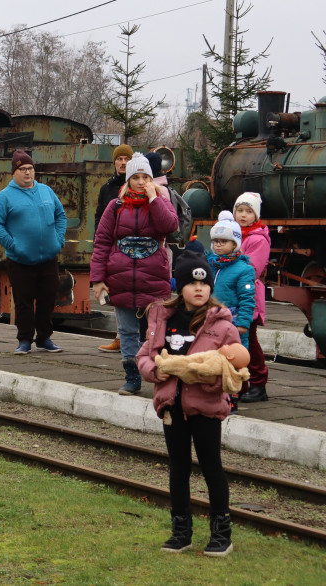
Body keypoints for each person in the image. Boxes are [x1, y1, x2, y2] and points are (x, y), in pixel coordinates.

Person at [137, 242, 239, 556]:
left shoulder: (223, 325)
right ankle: (181, 531)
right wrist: (157, 372)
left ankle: (221, 533)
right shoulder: (163, 319)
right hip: (171, 406)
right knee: (178, 468)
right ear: (180, 287)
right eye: (191, 283)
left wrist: (211, 374)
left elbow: (235, 369)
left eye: (204, 283)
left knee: (212, 467)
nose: (199, 288)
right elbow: (143, 356)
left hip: (205, 407)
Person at [91, 153, 178, 395]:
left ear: (152, 179)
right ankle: (132, 377)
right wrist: (98, 279)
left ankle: (157, 371)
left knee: (156, 330)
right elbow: (101, 242)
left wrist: (154, 199)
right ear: (128, 181)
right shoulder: (115, 207)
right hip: (121, 277)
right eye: (136, 177)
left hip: (153, 278)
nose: (141, 182)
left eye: (145, 177)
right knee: (127, 331)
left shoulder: (161, 200)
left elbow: (170, 226)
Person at [0, 150, 68, 354]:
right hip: (20, 260)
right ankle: (24, 340)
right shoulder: (5, 196)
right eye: (22, 169)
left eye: (30, 169)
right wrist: (13, 245)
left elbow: (61, 215)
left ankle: (44, 338)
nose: (27, 173)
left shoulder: (46, 191)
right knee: (23, 302)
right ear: (14, 172)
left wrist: (58, 240)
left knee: (47, 299)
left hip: (48, 258)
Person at [234, 192, 271, 403]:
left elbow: (252, 269)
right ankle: (241, 383)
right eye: (240, 210)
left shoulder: (258, 239)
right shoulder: (232, 234)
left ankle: (259, 383)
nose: (243, 215)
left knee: (251, 340)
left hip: (248, 295)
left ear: (255, 215)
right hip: (231, 294)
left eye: (248, 211)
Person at [95, 145, 133, 353]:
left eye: (127, 159)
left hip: (132, 247)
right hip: (112, 247)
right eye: (119, 159)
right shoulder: (107, 188)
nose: (122, 163)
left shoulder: (136, 186)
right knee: (117, 293)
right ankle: (120, 337)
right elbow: (100, 218)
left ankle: (133, 338)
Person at [206, 211, 256, 348]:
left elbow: (247, 298)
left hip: (232, 321)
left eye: (223, 241)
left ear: (235, 244)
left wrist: (243, 323)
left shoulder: (244, 270)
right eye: (215, 241)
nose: (218, 245)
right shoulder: (209, 265)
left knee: (233, 356)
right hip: (209, 319)